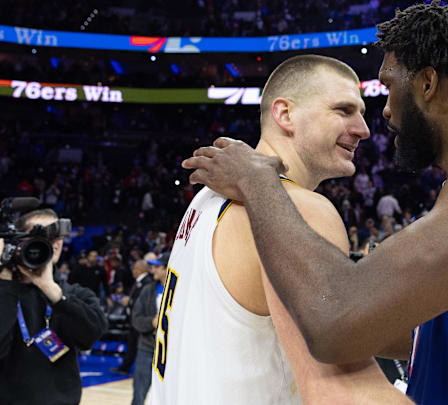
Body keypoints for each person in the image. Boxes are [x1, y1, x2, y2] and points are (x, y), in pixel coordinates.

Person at [183, 3, 448, 404]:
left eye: (389, 87)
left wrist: (260, 182)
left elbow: (336, 324)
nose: (383, 113)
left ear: (427, 84)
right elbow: (415, 331)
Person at [150, 55, 412, 405]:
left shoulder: (205, 200)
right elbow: (340, 392)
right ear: (285, 114)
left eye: (361, 112)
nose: (364, 128)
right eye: (344, 110)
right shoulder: (299, 208)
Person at [0, 209, 107, 404]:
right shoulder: (4, 290)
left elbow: (92, 334)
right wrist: (5, 281)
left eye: (58, 236)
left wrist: (53, 292)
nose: (55, 242)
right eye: (43, 235)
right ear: (16, 241)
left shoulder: (75, 294)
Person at [131, 254, 168, 405]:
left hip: (171, 352)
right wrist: (151, 322)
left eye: (157, 266)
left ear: (168, 268)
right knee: (139, 395)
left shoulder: (182, 291)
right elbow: (136, 319)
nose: (153, 270)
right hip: (147, 349)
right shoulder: (148, 290)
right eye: (152, 266)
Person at [111, 258, 152, 375]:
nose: (133, 271)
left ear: (140, 269)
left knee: (138, 345)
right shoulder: (139, 282)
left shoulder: (146, 282)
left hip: (140, 320)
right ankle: (125, 367)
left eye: (134, 268)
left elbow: (143, 301)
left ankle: (130, 367)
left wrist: (129, 301)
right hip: (134, 319)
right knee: (132, 344)